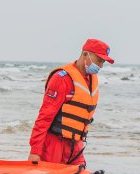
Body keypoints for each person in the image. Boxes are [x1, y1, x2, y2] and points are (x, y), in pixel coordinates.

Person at [28, 39, 114, 167]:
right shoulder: (61, 79)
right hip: (54, 144)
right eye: (99, 60)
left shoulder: (91, 80)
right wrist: (35, 151)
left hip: (76, 145)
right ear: (85, 54)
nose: (101, 66)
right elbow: (44, 118)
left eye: (103, 62)